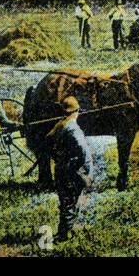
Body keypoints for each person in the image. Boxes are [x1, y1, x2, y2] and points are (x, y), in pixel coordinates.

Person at [48, 96, 99, 242]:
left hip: (61, 169)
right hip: (72, 171)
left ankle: (64, 231)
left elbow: (48, 144)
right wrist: (81, 170)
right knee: (71, 201)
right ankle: (66, 235)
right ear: (77, 111)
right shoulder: (73, 129)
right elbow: (82, 151)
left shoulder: (59, 125)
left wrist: (59, 160)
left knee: (66, 201)